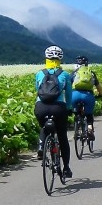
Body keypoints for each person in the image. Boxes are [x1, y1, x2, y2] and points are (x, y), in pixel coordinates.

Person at [35, 45, 74, 180]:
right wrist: (69, 108)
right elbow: (68, 95)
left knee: (44, 127)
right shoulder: (65, 75)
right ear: (60, 59)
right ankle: (66, 168)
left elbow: (38, 91)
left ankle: (41, 146)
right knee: (62, 137)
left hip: (41, 107)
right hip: (58, 108)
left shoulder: (40, 73)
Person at [70, 55, 102, 140]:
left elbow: (68, 86)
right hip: (88, 96)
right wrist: (101, 94)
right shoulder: (91, 73)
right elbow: (98, 86)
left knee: (76, 112)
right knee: (89, 115)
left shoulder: (73, 73)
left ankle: (77, 128)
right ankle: (89, 129)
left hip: (75, 95)